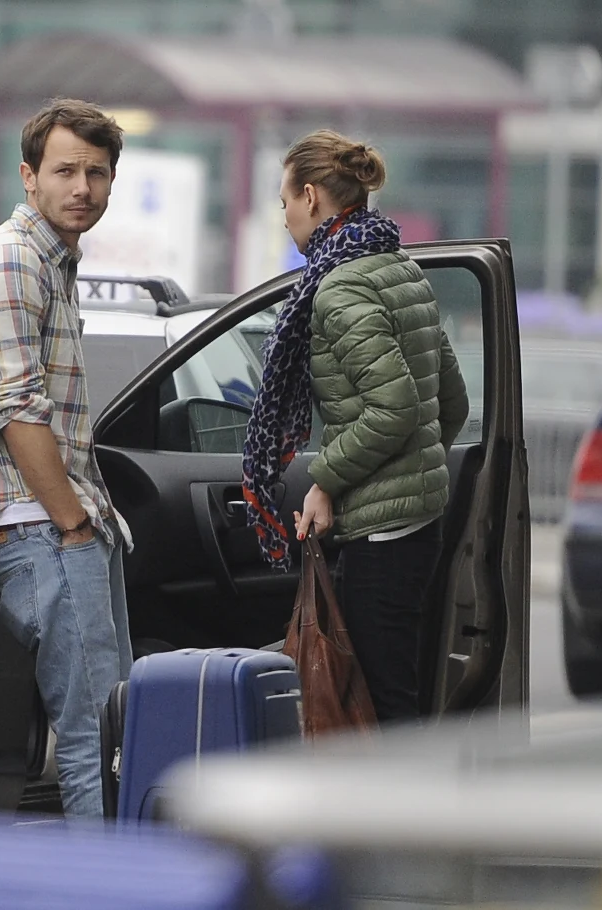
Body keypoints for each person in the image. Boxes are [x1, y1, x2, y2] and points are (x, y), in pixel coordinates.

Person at [0, 99, 133, 817]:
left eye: (97, 173)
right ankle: (103, 876)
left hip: (58, 528)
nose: (82, 188)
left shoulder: (50, 260)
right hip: (43, 530)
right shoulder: (14, 260)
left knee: (109, 732)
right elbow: (18, 412)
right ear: (29, 176)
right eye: (65, 171)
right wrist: (72, 524)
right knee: (93, 742)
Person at [242, 129, 469, 724]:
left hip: (382, 536)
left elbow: (394, 409)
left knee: (385, 704)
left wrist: (325, 482)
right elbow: (450, 403)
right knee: (397, 689)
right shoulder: (399, 267)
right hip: (416, 523)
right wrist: (414, 471)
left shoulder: (339, 287)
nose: (284, 215)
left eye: (286, 201)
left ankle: (398, 792)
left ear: (311, 196)